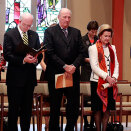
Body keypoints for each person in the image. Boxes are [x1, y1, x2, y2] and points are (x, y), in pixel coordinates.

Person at [44, 8, 83, 131]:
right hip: (56, 73)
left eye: (69, 17)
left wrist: (74, 66)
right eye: (64, 17)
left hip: (73, 74)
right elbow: (50, 53)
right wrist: (65, 66)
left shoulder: (76, 32)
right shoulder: (50, 32)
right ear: (59, 17)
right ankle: (54, 128)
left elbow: (82, 53)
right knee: (55, 105)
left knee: (73, 105)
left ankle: (69, 128)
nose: (67, 19)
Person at [3, 12, 42, 131]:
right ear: (20, 21)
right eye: (25, 25)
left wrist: (36, 60)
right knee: (14, 110)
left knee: (27, 110)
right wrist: (23, 60)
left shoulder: (34, 35)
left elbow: (39, 54)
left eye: (30, 25)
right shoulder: (10, 34)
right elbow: (7, 55)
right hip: (15, 79)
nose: (27, 28)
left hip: (29, 79)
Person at [88, 24, 119, 131]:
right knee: (97, 110)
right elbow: (94, 67)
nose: (107, 38)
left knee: (107, 110)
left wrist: (114, 77)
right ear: (100, 36)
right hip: (97, 82)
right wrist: (107, 77)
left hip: (110, 83)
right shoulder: (93, 48)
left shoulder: (112, 48)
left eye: (109, 36)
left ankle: (104, 129)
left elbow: (116, 64)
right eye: (105, 36)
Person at [80, 20, 99, 130]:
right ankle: (86, 122)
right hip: (86, 71)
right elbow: (80, 56)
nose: (94, 33)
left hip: (95, 71)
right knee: (85, 97)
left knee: (94, 98)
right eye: (92, 31)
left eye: (96, 31)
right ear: (88, 30)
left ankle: (92, 123)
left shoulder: (97, 40)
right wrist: (89, 60)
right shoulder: (83, 40)